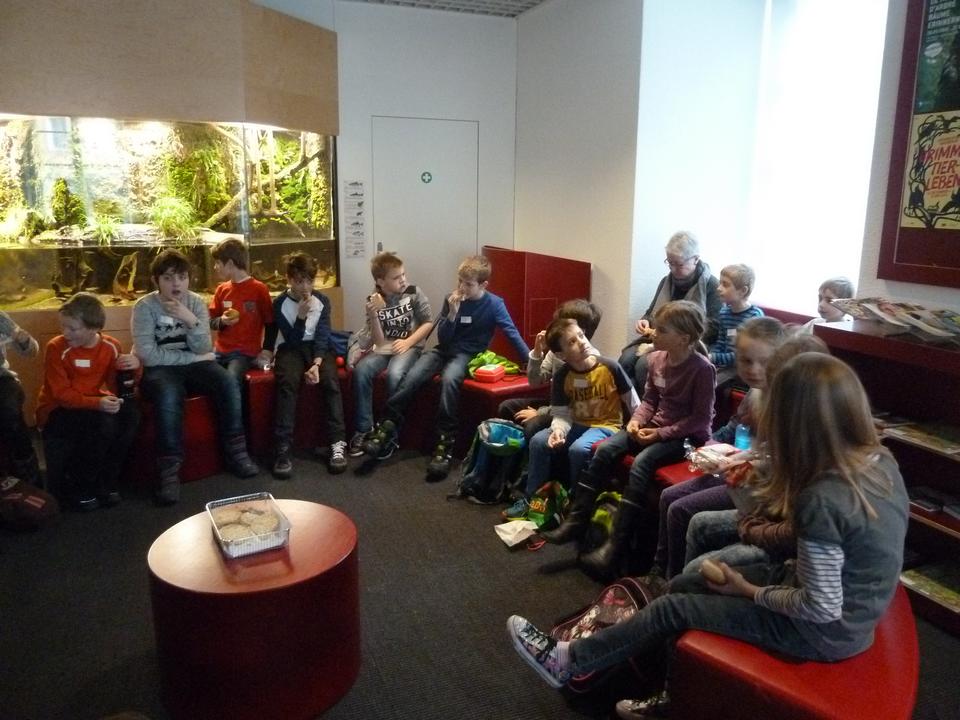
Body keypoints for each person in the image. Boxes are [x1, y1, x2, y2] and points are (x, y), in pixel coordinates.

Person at [508, 353, 909, 719]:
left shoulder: (823, 497)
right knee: (686, 582)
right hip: (842, 604)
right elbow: (818, 544)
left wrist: (745, 590)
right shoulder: (877, 460)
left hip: (822, 632)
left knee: (672, 608)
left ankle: (570, 662)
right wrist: (752, 507)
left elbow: (818, 607)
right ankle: (668, 685)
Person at [551, 301, 715, 580]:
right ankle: (577, 520)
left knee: (642, 463)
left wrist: (660, 434)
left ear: (683, 338)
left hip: (687, 437)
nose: (653, 333)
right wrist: (636, 420)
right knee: (605, 450)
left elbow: (700, 419)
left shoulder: (702, 369)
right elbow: (650, 400)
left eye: (662, 330)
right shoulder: (656, 359)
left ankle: (615, 548)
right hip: (655, 426)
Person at [633, 317, 787, 582]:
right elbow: (751, 442)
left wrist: (737, 462)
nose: (753, 369)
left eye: (763, 362)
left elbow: (778, 462)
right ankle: (659, 570)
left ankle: (672, 580)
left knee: (682, 510)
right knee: (669, 496)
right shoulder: (756, 394)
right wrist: (720, 454)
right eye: (745, 360)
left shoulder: (783, 400)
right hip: (746, 473)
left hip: (762, 489)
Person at [363, 254, 530, 479]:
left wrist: (530, 360)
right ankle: (387, 424)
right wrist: (451, 314)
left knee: (450, 380)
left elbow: (511, 332)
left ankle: (445, 443)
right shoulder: (450, 298)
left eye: (468, 284)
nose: (461, 287)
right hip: (444, 349)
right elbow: (443, 337)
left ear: (483, 285)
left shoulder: (494, 304)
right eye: (460, 281)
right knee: (413, 376)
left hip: (468, 354)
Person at [681, 334, 830, 575]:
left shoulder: (815, 440)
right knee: (699, 524)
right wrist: (744, 469)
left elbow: (796, 530)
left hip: (789, 545)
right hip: (771, 517)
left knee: (697, 569)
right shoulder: (787, 418)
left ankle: (683, 589)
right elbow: (768, 460)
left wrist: (751, 526)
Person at [132, 249, 259, 505]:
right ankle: (169, 472)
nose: (176, 284)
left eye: (181, 277)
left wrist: (190, 320)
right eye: (168, 278)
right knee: (168, 395)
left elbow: (203, 346)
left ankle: (236, 453)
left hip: (194, 364)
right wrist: (194, 359)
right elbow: (148, 355)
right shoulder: (144, 307)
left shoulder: (196, 303)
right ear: (156, 280)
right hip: (161, 370)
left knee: (227, 381)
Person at [502, 317, 638, 520]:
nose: (581, 342)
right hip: (576, 423)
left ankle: (575, 503)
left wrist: (636, 425)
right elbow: (562, 414)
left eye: (581, 336)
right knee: (538, 441)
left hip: (606, 425)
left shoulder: (610, 367)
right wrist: (558, 431)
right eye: (572, 342)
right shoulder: (562, 376)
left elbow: (633, 402)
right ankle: (532, 499)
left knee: (578, 449)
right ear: (561, 355)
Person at [36, 292, 140, 510]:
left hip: (91, 403)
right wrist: (98, 404)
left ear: (94, 328)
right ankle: (83, 486)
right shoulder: (56, 348)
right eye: (63, 326)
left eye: (72, 328)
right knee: (102, 424)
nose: (65, 332)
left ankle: (107, 482)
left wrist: (134, 366)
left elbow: (116, 385)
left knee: (130, 416)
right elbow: (61, 395)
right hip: (57, 409)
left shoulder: (111, 346)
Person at [264, 252, 347, 478]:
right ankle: (283, 447)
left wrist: (317, 363)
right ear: (289, 279)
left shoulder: (322, 301)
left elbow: (323, 334)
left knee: (331, 381)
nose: (305, 287)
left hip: (317, 349)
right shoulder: (280, 303)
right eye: (300, 281)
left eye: (310, 281)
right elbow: (291, 340)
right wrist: (300, 316)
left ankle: (337, 443)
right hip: (291, 348)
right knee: (288, 383)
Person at [347, 252, 433, 457]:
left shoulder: (414, 292)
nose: (403, 280)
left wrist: (409, 342)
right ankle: (365, 428)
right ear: (380, 281)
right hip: (384, 348)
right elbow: (377, 341)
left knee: (395, 374)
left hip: (410, 347)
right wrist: (374, 315)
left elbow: (428, 322)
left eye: (403, 274)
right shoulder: (374, 299)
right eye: (396, 277)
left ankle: (390, 434)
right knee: (362, 370)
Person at [619, 231, 721, 391]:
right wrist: (645, 320)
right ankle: (628, 403)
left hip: (686, 343)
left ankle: (653, 404)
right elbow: (652, 312)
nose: (673, 269)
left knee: (644, 365)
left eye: (678, 264)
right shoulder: (666, 281)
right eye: (670, 263)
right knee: (625, 360)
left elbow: (713, 327)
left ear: (695, 259)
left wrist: (674, 335)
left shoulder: (712, 285)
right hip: (658, 337)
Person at [497, 299, 603, 442]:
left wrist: (540, 413)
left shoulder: (591, 359)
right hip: (554, 404)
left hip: (573, 413)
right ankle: (508, 451)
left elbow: (575, 405)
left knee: (532, 425)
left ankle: (527, 455)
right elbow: (535, 381)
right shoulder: (557, 352)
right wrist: (537, 351)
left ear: (580, 329)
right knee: (507, 407)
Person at [208, 238, 273, 385]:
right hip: (219, 351)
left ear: (230, 264)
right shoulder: (221, 289)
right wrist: (222, 321)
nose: (215, 267)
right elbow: (211, 321)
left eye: (218, 263)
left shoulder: (259, 289)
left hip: (244, 353)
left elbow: (271, 323)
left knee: (232, 380)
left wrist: (267, 350)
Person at [0, 310, 40, 484]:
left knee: (9, 411)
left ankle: (27, 479)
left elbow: (31, 351)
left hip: (1, 378)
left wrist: (23, 340)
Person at [708, 263, 764, 387]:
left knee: (709, 383)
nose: (718, 288)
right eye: (720, 283)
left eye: (725, 284)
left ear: (743, 291)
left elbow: (746, 354)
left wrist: (713, 357)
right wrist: (711, 358)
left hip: (744, 367)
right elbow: (721, 343)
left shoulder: (754, 316)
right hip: (725, 364)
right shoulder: (724, 313)